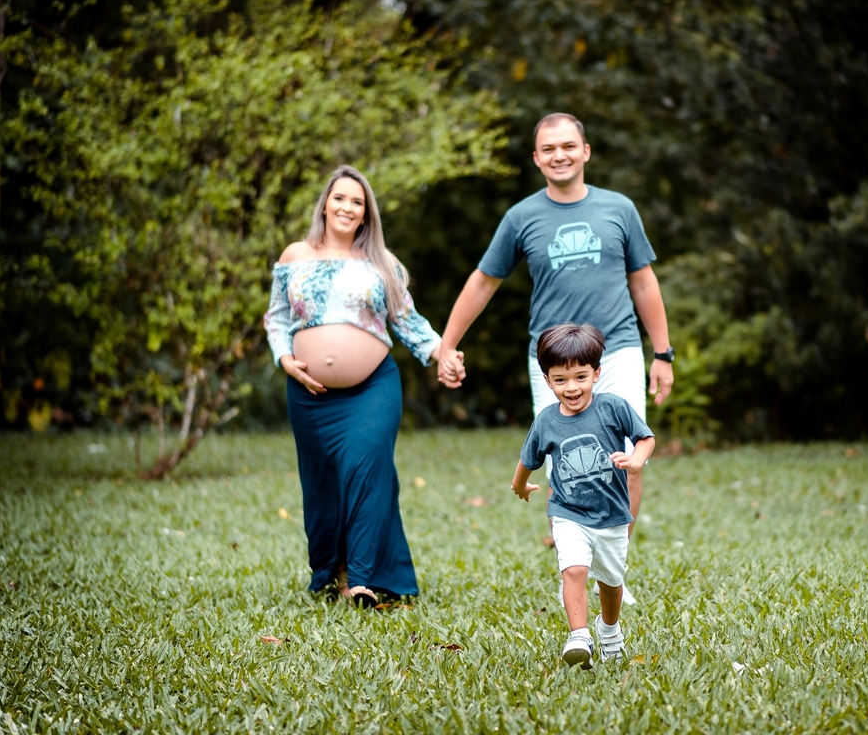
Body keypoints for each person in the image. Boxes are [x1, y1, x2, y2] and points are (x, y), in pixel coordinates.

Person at [438, 113, 674, 541]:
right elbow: (483, 281)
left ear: (585, 151)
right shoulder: (520, 217)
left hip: (616, 350)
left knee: (628, 458)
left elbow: (643, 282)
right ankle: (573, 560)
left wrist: (662, 354)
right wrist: (447, 345)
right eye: (549, 148)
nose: (559, 155)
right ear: (536, 158)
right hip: (552, 361)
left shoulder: (619, 208)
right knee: (563, 461)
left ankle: (613, 565)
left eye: (568, 146)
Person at [264, 165, 463, 608]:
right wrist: (285, 360)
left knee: (366, 470)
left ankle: (363, 579)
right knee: (321, 486)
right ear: (325, 203)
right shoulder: (296, 254)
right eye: (340, 198)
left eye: (357, 201)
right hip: (309, 394)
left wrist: (442, 354)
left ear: (366, 212)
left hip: (371, 389)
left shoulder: (382, 263)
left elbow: (408, 322)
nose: (348, 207)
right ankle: (332, 571)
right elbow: (276, 317)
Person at [510, 323, 655, 667]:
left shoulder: (613, 408)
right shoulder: (546, 421)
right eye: (560, 380)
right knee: (573, 569)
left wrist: (635, 460)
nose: (571, 387)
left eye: (580, 377)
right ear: (547, 380)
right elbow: (527, 459)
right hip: (567, 512)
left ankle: (609, 630)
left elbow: (645, 438)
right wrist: (519, 486)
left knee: (610, 581)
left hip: (612, 515)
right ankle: (579, 635)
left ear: (596, 373)